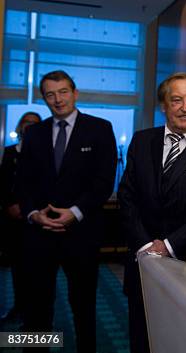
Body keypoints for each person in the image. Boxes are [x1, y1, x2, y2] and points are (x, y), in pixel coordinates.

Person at [118, 72, 186, 353]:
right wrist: (146, 244)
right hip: (141, 260)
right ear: (163, 106)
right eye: (176, 100)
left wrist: (168, 246)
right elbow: (127, 197)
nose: (185, 107)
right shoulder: (142, 141)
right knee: (141, 337)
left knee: (185, 341)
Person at [16, 70, 117, 352]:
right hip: (39, 234)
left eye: (63, 92)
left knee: (83, 305)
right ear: (44, 98)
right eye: (50, 94)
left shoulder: (100, 129)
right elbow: (22, 183)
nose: (58, 100)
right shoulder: (34, 133)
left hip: (81, 234)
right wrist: (33, 213)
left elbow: (104, 182)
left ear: (74, 93)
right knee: (37, 307)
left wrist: (75, 212)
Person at [0, 111, 41, 324]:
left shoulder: (44, 153)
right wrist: (9, 205)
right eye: (26, 122)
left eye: (35, 123)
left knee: (36, 269)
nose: (30, 126)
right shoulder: (9, 152)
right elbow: (3, 183)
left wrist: (27, 208)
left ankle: (34, 311)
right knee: (16, 267)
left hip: (35, 220)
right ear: (20, 126)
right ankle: (19, 305)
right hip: (12, 220)